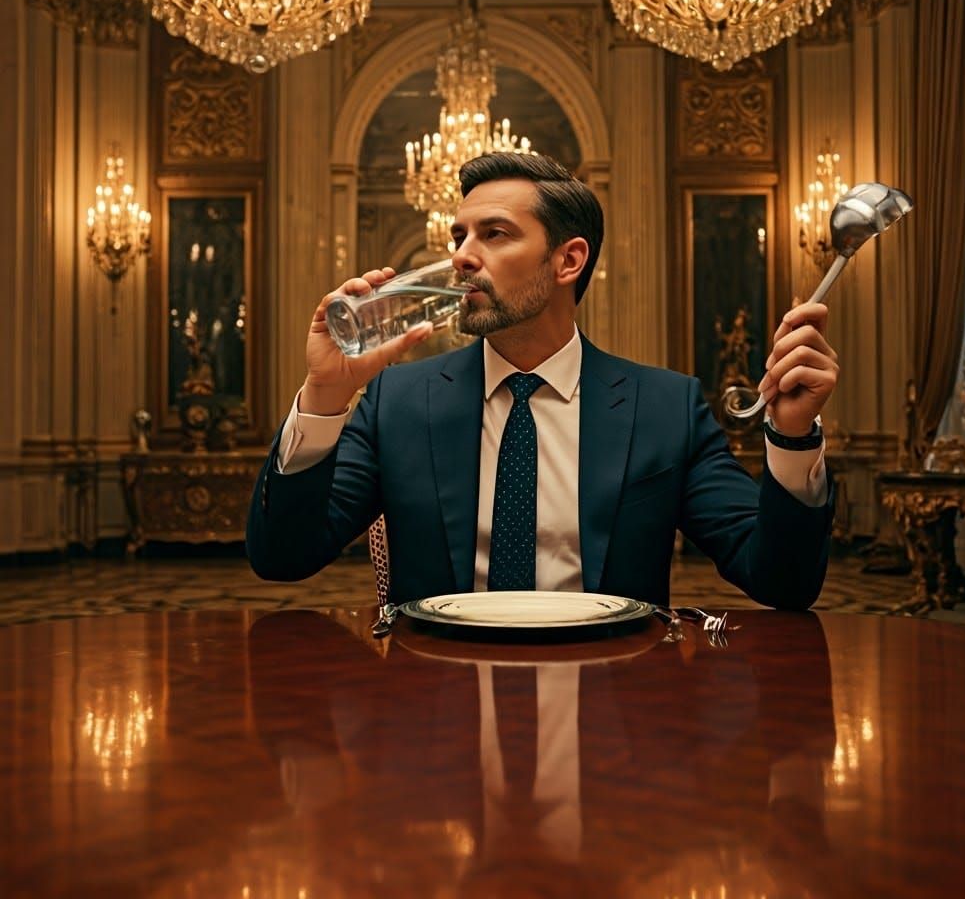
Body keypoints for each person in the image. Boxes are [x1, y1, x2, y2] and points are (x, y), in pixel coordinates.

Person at [247, 153, 838, 608]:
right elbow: (283, 558)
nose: (461, 257)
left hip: (611, 713)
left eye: (494, 234)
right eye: (459, 236)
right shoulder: (400, 401)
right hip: (434, 712)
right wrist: (324, 395)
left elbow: (781, 582)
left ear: (568, 261)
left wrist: (791, 436)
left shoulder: (664, 407)